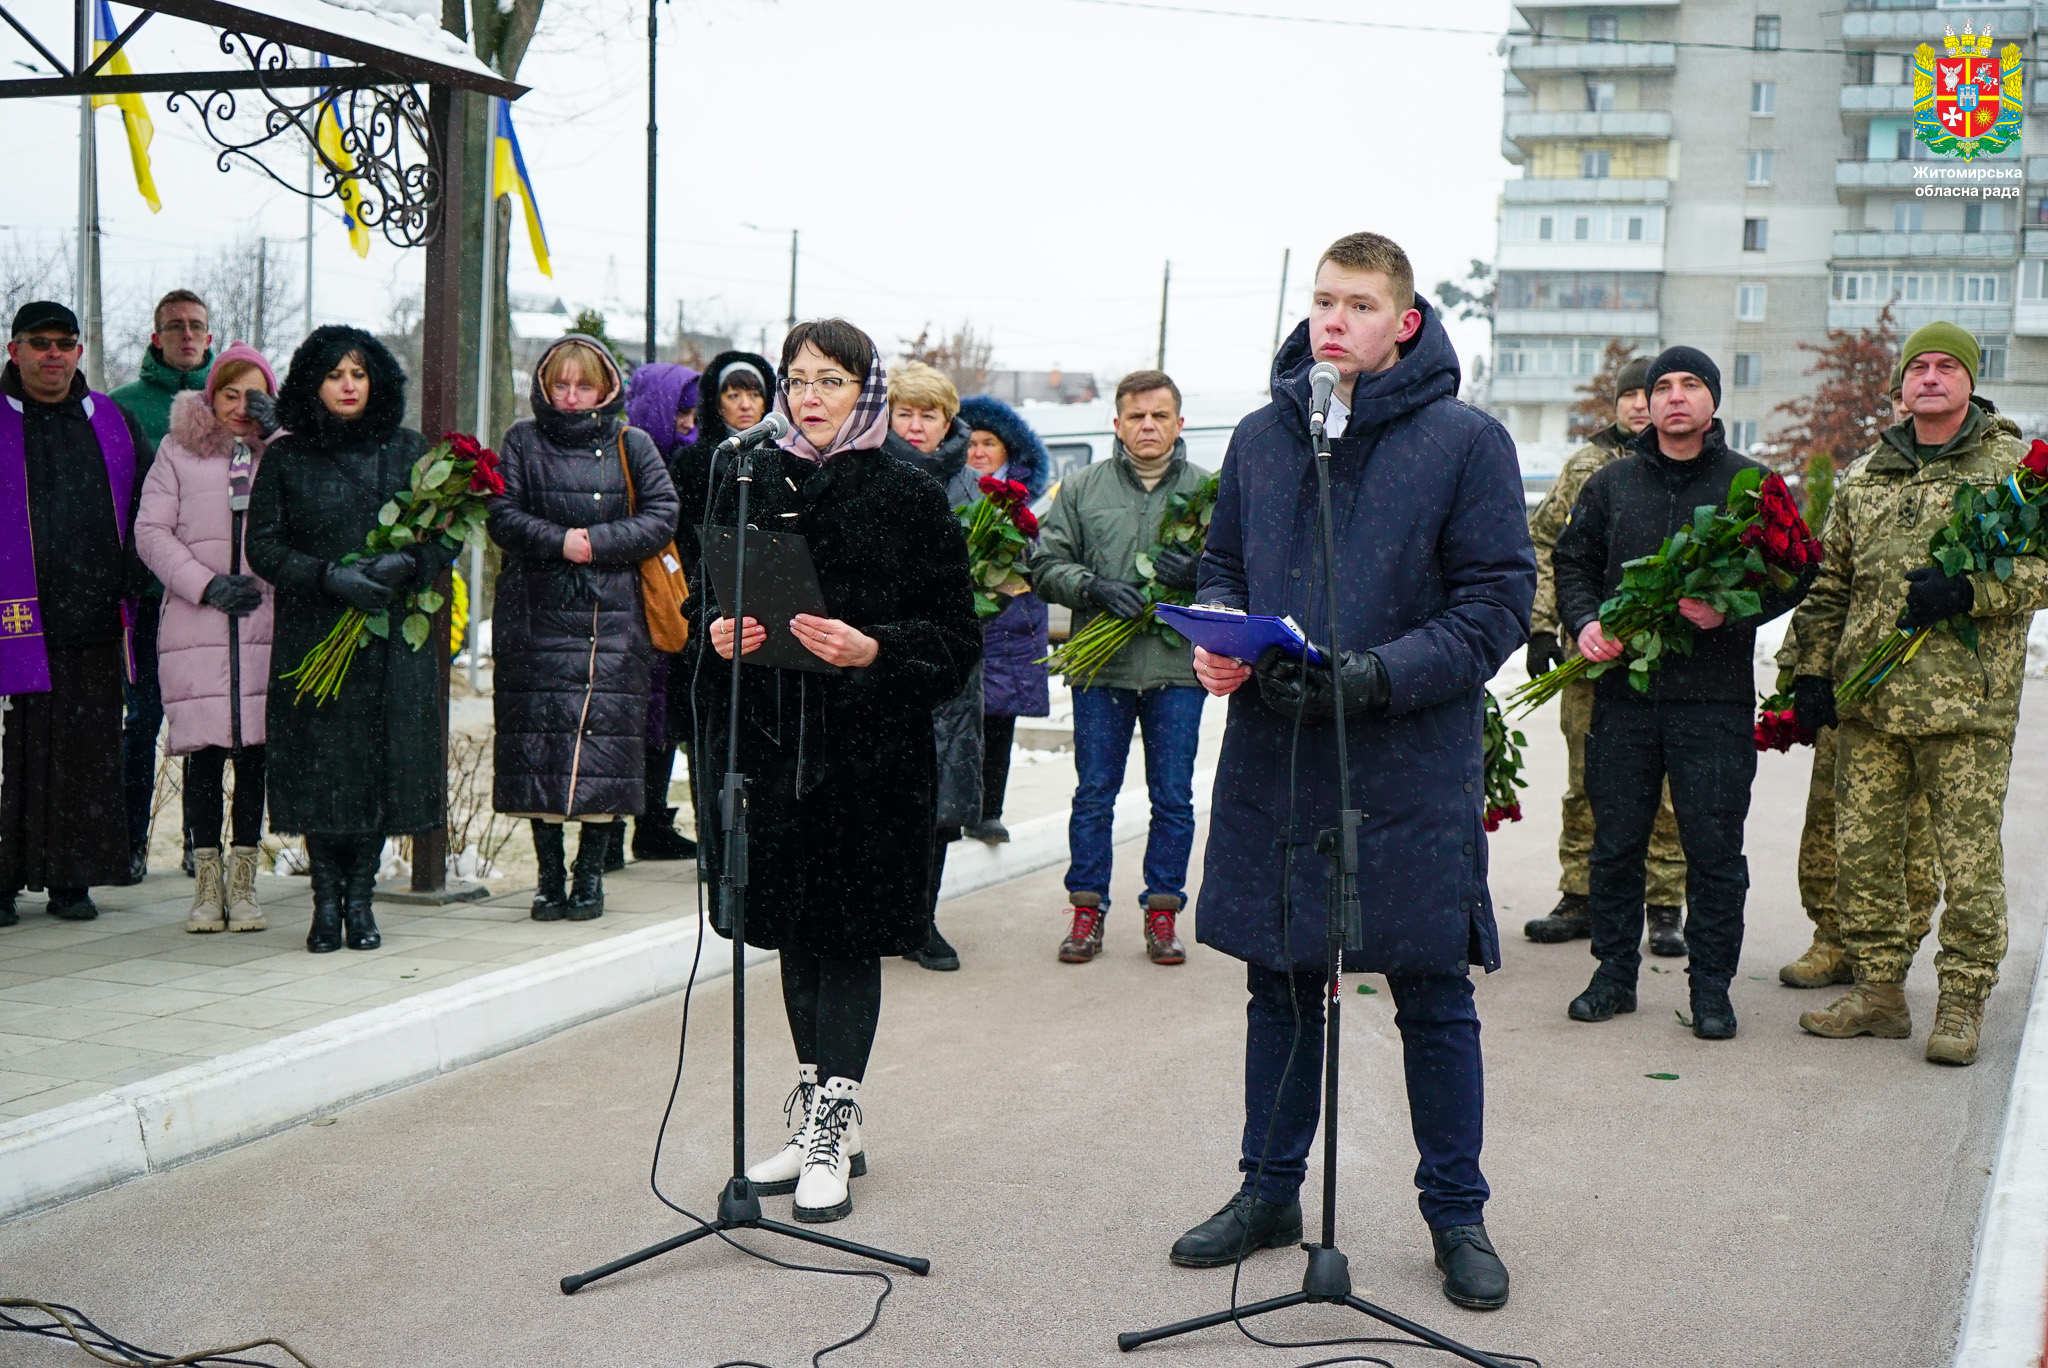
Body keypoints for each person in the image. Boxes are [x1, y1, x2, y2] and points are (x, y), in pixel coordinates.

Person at [1180, 234, 1532, 1311]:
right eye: (1323, 301)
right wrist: (1222, 635)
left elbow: (1493, 605)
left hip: (1406, 756)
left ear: (1404, 322)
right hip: (1278, 750)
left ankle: (1456, 1216)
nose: (1333, 320)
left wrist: (1375, 677)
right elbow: (1223, 560)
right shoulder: (1262, 435)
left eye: (1360, 304)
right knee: (1278, 983)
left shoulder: (1466, 442)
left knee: (1429, 994)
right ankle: (1268, 1190)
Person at [698, 319, 979, 1223]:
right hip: (775, 753)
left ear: (867, 389)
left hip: (871, 759)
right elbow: (720, 597)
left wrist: (874, 648)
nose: (810, 395)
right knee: (794, 934)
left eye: (830, 379)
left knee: (851, 937)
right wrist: (721, 632)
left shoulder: (908, 492)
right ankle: (823, 1111)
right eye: (798, 378)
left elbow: (954, 641)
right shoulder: (751, 478)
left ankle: (835, 1123)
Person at [1787, 324, 2045, 1066]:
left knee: (1968, 867)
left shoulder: (2015, 468)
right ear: (1900, 387)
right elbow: (1832, 584)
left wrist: (1974, 588)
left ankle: (1961, 1003)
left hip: (1965, 708)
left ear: (1969, 380)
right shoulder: (1867, 472)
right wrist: (1811, 672)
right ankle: (1878, 995)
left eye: (1945, 367)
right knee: (1863, 860)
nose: (1930, 378)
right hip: (1869, 705)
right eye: (1918, 368)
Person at [1552, 346, 1813, 1041]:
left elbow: (1800, 569)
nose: (1673, 397)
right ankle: (1612, 976)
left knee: (1714, 849)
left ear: (1713, 401)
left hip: (1712, 701)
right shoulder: (1611, 485)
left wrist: (1733, 611)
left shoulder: (1750, 485)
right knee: (1615, 845)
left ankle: (1711, 990)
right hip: (1624, 698)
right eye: (1662, 386)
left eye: (1689, 385)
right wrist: (1585, 623)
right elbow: (1570, 561)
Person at [246, 326, 457, 954]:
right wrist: (327, 576)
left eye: (358, 374)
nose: (347, 385)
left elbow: (443, 534)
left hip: (387, 638)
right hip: (314, 637)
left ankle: (360, 902)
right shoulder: (286, 456)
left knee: (373, 772)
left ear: (376, 383)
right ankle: (323, 904)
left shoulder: (411, 450)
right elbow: (262, 547)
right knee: (322, 774)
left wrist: (408, 565)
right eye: (335, 374)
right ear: (313, 382)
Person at [490, 336, 679, 921]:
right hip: (536, 615)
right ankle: (548, 877)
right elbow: (502, 513)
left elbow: (663, 514)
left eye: (584, 386)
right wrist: (560, 542)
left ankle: (590, 875)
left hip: (614, 618)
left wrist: (594, 543)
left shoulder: (633, 443)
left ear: (606, 388)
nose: (572, 397)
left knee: (606, 745)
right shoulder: (521, 440)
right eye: (561, 385)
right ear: (545, 387)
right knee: (539, 745)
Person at [1030, 369, 1208, 966]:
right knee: (1095, 794)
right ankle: (1086, 912)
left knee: (1174, 797)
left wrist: (1200, 576)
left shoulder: (1209, 493)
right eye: (1137, 416)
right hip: (1101, 667)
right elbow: (1045, 562)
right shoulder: (1081, 489)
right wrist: (1094, 588)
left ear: (1179, 423)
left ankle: (1163, 912)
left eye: (1160, 415)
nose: (1148, 426)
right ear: (1118, 424)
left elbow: (1241, 570)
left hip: (1176, 668)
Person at [1522, 355, 1688, 954]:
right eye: (1631, 396)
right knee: (1586, 781)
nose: (1641, 405)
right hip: (1591, 655)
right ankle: (1581, 895)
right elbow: (1547, 544)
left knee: (1668, 789)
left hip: (1667, 656)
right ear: (1616, 404)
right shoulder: (1587, 466)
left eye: (1652, 393)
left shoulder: (1687, 466)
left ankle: (1664, 904)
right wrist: (1544, 626)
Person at [0, 301, 152, 925]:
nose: (53, 354)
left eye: (65, 343)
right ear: (14, 351)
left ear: (80, 352)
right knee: (12, 761)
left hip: (91, 621)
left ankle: (71, 879)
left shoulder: (113, 421)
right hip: (12, 626)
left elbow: (146, 504)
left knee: (84, 758)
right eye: (40, 343)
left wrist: (134, 577)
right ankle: (3, 880)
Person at [134, 343, 277, 934]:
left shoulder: (283, 454)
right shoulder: (178, 452)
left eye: (255, 394)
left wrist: (282, 439)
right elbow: (150, 531)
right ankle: (205, 885)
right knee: (204, 759)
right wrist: (204, 584)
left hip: (264, 625)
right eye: (229, 393)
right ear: (210, 397)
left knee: (254, 761)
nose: (242, 406)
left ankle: (243, 889)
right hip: (198, 627)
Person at [110, 288, 214, 883]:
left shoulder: (230, 405)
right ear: (156, 336)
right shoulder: (122, 407)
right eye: (174, 325)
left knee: (206, 729)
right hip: (146, 598)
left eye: (195, 325)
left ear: (209, 336)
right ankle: (129, 845)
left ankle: (202, 845)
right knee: (141, 720)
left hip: (207, 598)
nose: (185, 334)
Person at [883, 360, 981, 972]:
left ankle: (923, 920)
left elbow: (1002, 566)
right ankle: (882, 913)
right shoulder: (871, 472)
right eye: (905, 413)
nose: (916, 427)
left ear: (949, 422)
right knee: (884, 793)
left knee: (941, 796)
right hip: (883, 655)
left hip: (949, 664)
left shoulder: (974, 488)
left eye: (930, 415)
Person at [956, 396, 1052, 847]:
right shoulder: (948, 489)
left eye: (988, 443)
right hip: (960, 621)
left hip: (1008, 626)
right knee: (956, 720)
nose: (977, 452)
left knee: (997, 721)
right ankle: (954, 808)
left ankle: (988, 810)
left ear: (1008, 451)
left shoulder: (1026, 501)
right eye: (970, 442)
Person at [620, 360, 703, 863]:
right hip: (633, 608)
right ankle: (626, 826)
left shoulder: (690, 458)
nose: (689, 424)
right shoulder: (631, 453)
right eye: (680, 412)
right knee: (636, 719)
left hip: (673, 608)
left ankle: (652, 821)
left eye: (693, 413)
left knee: (663, 719)